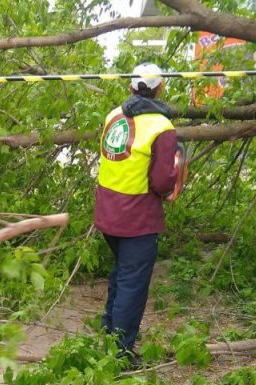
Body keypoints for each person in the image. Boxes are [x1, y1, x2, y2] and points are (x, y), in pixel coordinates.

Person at [94, 62, 179, 367]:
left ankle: (108, 329)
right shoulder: (162, 128)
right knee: (133, 281)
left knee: (121, 272)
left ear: (129, 87)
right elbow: (161, 182)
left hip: (107, 212)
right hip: (138, 217)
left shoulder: (113, 116)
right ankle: (120, 352)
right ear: (160, 88)